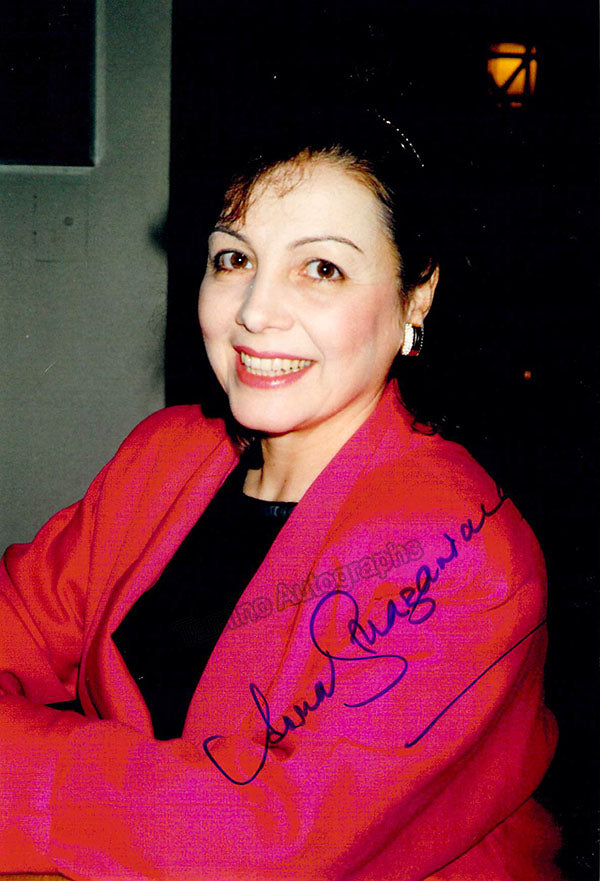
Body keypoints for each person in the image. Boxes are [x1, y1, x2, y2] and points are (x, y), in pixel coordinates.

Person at [0, 107, 563, 880]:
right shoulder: (165, 456)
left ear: (416, 297)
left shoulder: (466, 555)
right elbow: (20, 623)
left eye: (321, 268)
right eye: (234, 258)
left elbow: (264, 839)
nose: (255, 312)